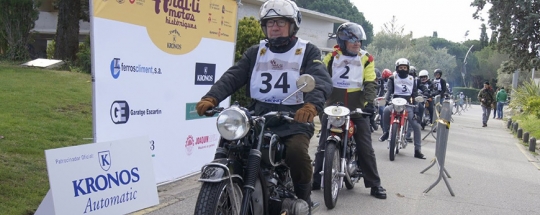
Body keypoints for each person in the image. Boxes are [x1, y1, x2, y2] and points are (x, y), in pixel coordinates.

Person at [195, 0, 332, 211]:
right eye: (270, 23)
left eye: (280, 22)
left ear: (292, 25)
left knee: (296, 152)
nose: (274, 27)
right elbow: (234, 75)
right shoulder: (255, 52)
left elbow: (320, 78)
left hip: (294, 117)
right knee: (232, 145)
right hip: (258, 114)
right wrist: (212, 97)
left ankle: (303, 200)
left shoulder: (308, 51)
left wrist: (311, 106)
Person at [312, 22, 387, 199]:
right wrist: (317, 100)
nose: (357, 43)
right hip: (333, 107)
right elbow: (322, 78)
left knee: (365, 146)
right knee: (323, 144)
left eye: (359, 40)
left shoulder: (366, 58)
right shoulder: (331, 57)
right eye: (352, 40)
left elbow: (370, 82)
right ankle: (315, 180)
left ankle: (374, 184)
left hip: (357, 108)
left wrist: (369, 103)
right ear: (342, 40)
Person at [378, 58, 425, 159]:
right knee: (386, 111)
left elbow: (415, 94)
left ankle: (418, 150)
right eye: (400, 67)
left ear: (408, 69)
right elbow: (389, 91)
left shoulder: (413, 79)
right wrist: (385, 100)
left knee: (416, 126)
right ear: (397, 68)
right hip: (395, 102)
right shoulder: (392, 78)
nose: (403, 69)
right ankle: (386, 132)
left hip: (407, 104)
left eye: (405, 67)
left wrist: (416, 109)